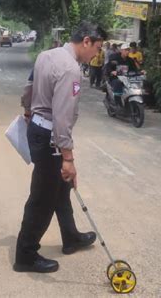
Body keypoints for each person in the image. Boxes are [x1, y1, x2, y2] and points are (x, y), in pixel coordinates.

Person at [16, 21, 108, 273]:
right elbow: (63, 117)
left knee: (61, 188)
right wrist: (68, 156)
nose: (97, 54)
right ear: (86, 41)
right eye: (97, 48)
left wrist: (27, 109)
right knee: (42, 197)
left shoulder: (47, 55)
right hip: (50, 137)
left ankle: (70, 237)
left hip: (37, 127)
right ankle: (25, 254)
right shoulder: (70, 69)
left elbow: (29, 87)